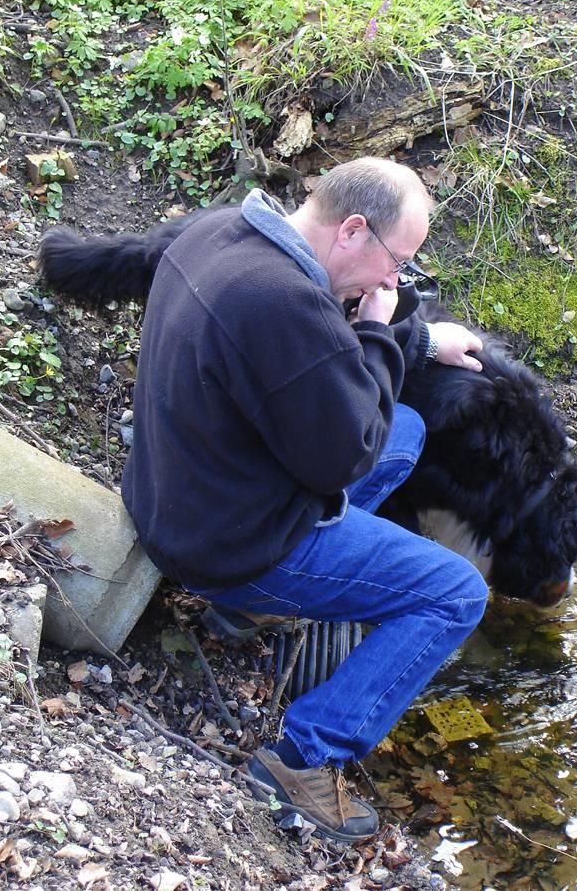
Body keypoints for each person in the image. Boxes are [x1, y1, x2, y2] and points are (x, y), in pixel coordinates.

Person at [121, 156, 489, 841]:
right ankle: (302, 756)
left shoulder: (224, 232)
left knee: (404, 429)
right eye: (397, 263)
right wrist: (382, 332)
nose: (394, 281)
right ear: (353, 230)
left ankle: (244, 613)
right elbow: (345, 454)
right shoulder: (283, 305)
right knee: (455, 594)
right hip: (230, 543)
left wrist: (418, 339)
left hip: (175, 490)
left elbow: (309, 375)